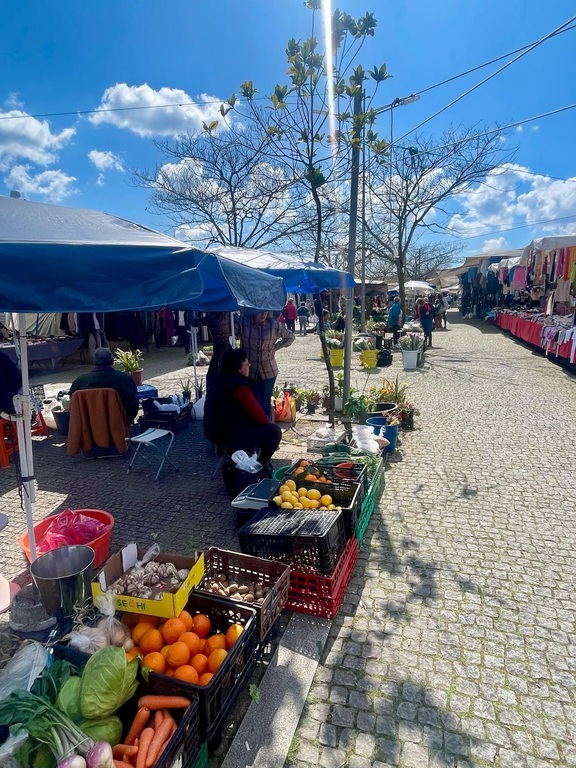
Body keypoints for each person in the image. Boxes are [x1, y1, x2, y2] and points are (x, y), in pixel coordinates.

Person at [203, 348, 282, 469]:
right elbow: (261, 417)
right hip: (229, 434)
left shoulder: (218, 380)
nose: (249, 367)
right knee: (274, 432)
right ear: (239, 368)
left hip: (211, 431)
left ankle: (246, 458)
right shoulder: (240, 387)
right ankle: (259, 465)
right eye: (247, 364)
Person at [235, 311, 295, 418]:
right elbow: (229, 330)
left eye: (265, 312)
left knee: (265, 402)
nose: (263, 315)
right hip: (249, 371)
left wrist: (276, 347)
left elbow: (290, 337)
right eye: (259, 312)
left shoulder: (274, 326)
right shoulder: (244, 323)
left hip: (268, 371)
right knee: (253, 401)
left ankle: (266, 425)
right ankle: (255, 425)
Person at [69, 347, 139, 423]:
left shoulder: (80, 381)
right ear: (112, 362)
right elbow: (133, 401)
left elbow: (73, 402)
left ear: (94, 362)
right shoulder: (125, 379)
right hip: (118, 422)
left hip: (89, 423)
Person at [204, 311, 232, 392]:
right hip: (225, 349)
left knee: (214, 377)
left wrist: (190, 311)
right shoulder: (227, 314)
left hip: (221, 351)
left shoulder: (211, 318)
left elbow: (193, 322)